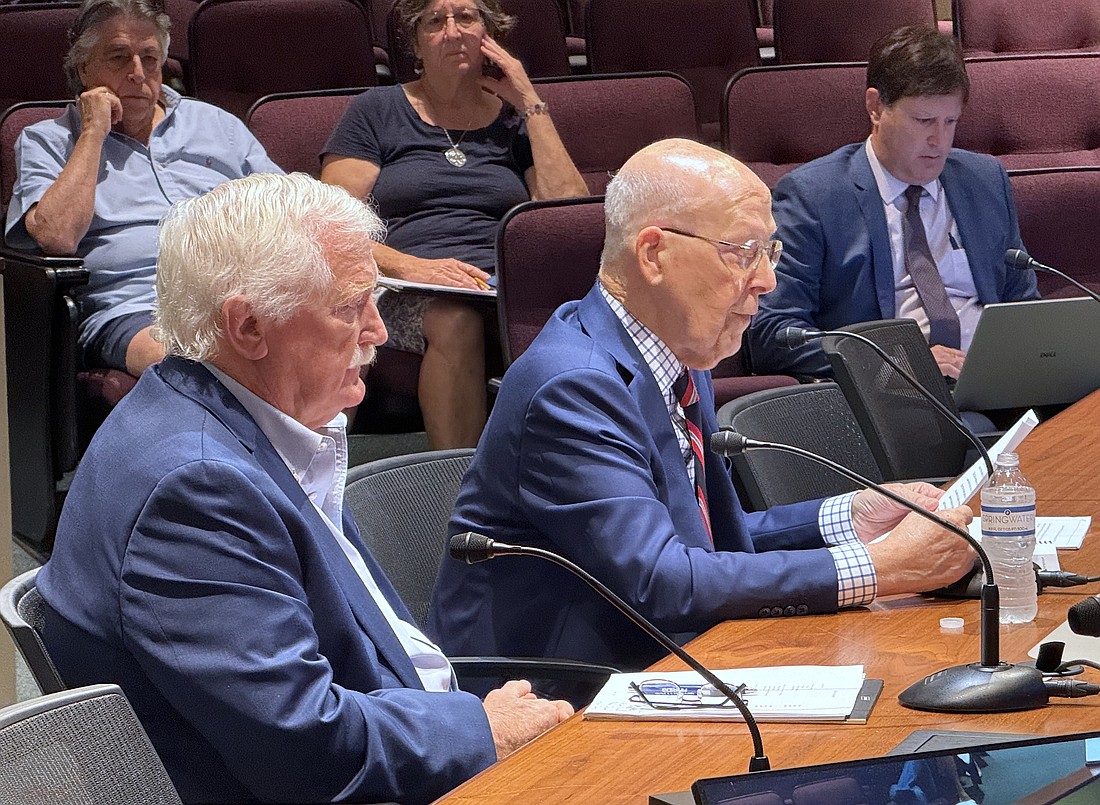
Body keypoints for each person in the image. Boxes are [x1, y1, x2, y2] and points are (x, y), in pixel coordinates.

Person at [35, 173, 572, 805]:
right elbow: (305, 748)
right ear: (248, 326)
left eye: (376, 300)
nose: (377, 331)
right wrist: (481, 729)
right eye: (350, 307)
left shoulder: (226, 419)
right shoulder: (198, 490)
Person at [428, 139, 977, 673]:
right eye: (742, 252)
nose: (767, 281)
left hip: (667, 661)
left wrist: (850, 519)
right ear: (653, 254)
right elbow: (663, 580)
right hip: (554, 693)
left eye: (769, 252)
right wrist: (879, 567)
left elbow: (705, 542)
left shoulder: (678, 354)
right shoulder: (573, 387)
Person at [320, 0, 587, 449]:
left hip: (501, 288)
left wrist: (529, 101)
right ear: (416, 43)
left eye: (466, 17)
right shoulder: (377, 111)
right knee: (454, 319)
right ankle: (457, 480)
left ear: (488, 34)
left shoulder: (513, 121)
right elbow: (331, 224)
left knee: (579, 314)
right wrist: (413, 267)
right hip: (402, 287)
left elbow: (568, 215)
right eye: (435, 21)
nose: (453, 30)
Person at [5, 0, 281, 378]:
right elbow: (58, 237)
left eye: (149, 59)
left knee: (328, 349)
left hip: (238, 296)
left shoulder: (217, 124)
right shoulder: (47, 140)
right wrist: (93, 133)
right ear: (84, 68)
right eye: (119, 58)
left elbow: (289, 209)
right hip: (134, 308)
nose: (137, 73)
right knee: (195, 365)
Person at [747, 25, 1038, 381]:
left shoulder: (984, 180)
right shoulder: (814, 196)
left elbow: (1023, 306)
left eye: (950, 122)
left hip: (993, 380)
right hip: (892, 390)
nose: (939, 140)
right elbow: (773, 333)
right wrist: (896, 362)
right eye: (923, 121)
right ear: (875, 107)